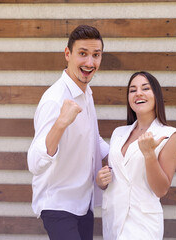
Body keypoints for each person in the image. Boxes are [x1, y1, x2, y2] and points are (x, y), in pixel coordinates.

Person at [27, 25, 109, 240]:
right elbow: (35, 163)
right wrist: (61, 123)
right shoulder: (54, 100)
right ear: (67, 54)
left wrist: (127, 150)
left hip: (83, 203)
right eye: (83, 54)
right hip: (58, 205)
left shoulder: (86, 92)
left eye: (96, 55)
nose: (90, 63)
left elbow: (92, 139)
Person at [96, 71, 176, 240]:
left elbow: (161, 189)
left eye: (145, 88)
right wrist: (101, 182)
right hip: (113, 220)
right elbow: (117, 175)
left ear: (156, 95)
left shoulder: (168, 135)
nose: (138, 93)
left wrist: (149, 155)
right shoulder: (118, 133)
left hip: (142, 224)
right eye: (132, 90)